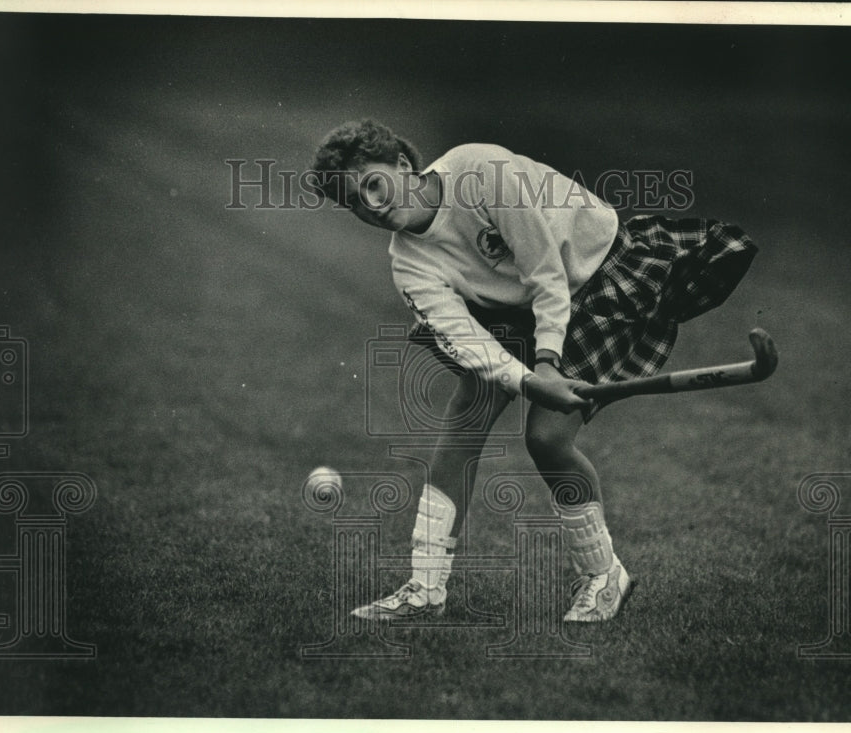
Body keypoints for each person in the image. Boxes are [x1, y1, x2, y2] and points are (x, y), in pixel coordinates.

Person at [309, 119, 757, 622]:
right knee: (463, 425)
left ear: (403, 166)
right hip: (513, 305)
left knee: (546, 437)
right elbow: (466, 340)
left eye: (374, 183)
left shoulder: (478, 171)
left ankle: (604, 575)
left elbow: (548, 274)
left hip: (593, 276)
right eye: (355, 202)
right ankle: (424, 589)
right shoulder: (408, 264)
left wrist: (545, 363)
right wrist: (528, 378)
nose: (373, 206)